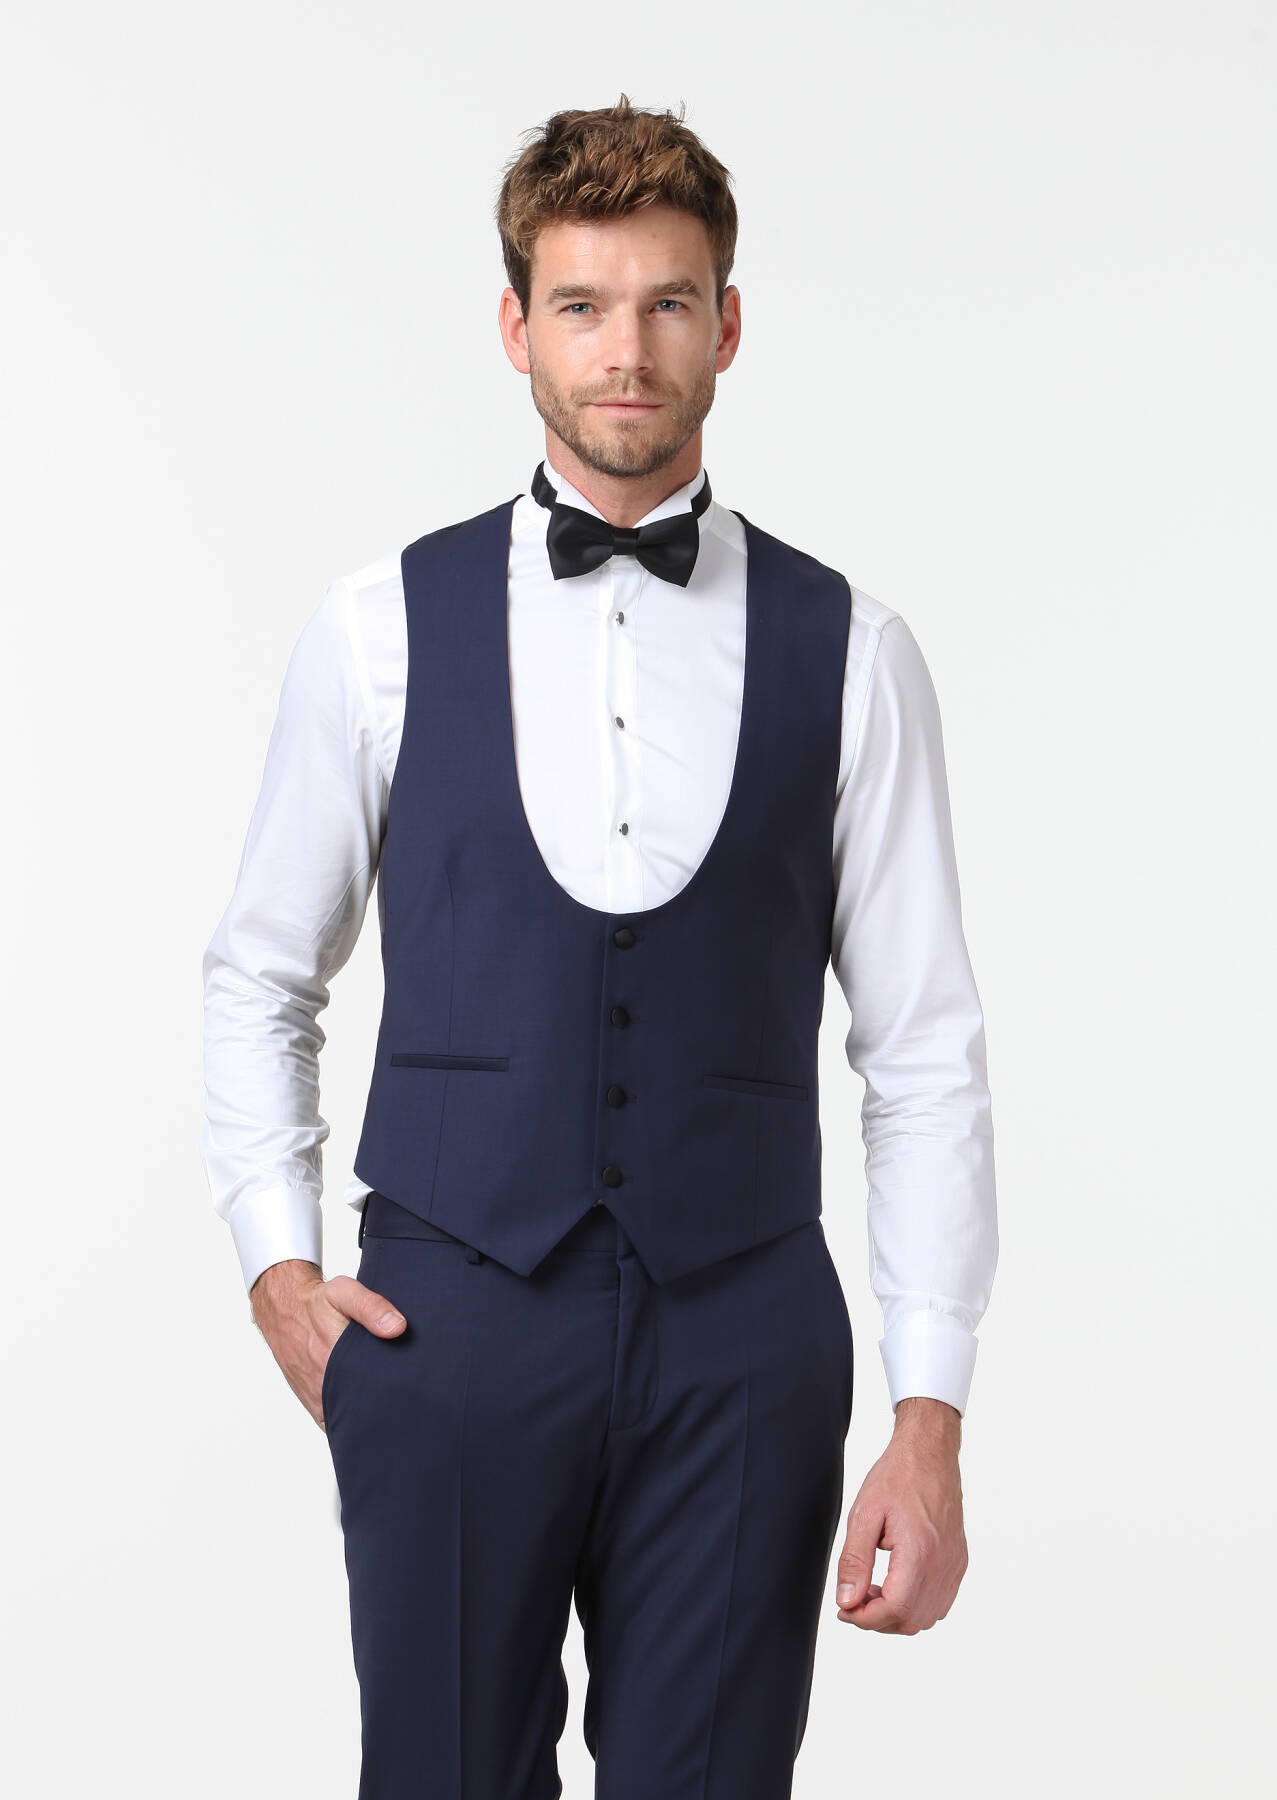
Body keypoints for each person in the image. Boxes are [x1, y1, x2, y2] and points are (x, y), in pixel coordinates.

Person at [201, 93, 999, 1800]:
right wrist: (278, 1267)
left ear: (728, 323)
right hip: (445, 1324)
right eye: (579, 304)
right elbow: (261, 972)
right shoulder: (375, 629)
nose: (624, 351)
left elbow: (923, 1050)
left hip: (741, 1339)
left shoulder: (853, 650)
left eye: (665, 303)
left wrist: (925, 1415)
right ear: (515, 328)